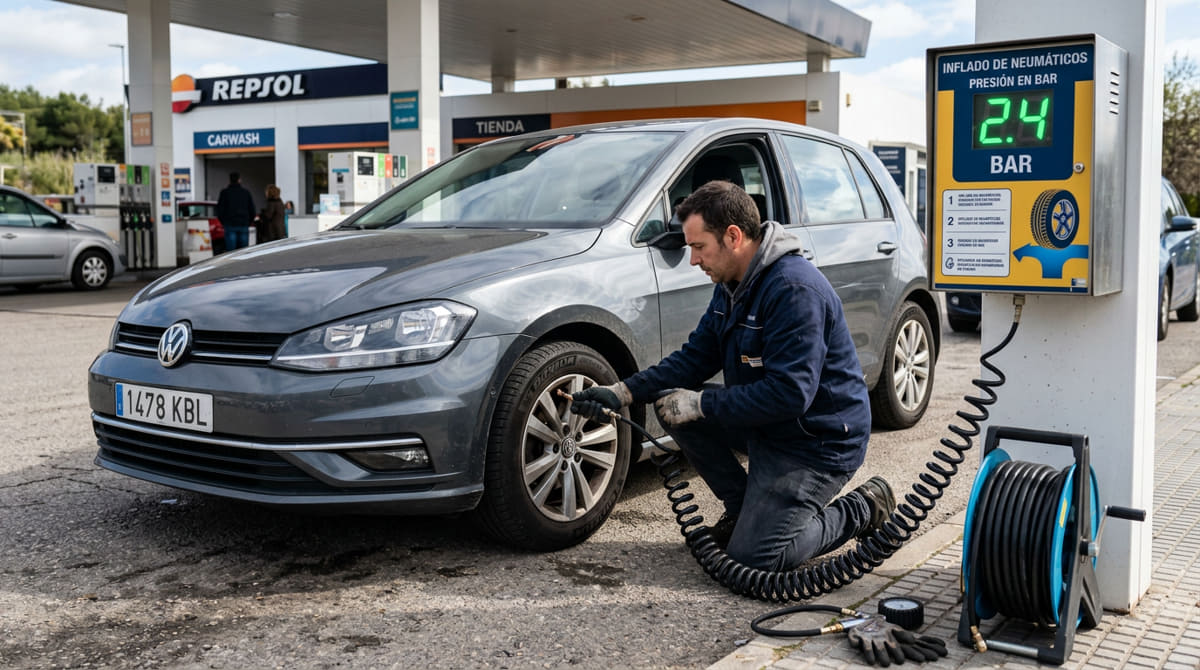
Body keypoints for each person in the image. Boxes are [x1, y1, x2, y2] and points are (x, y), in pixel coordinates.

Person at [570, 180, 894, 572]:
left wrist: (702, 403)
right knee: (672, 403)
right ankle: (743, 511)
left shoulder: (793, 290)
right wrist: (622, 392)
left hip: (816, 440)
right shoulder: (731, 286)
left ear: (733, 237)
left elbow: (791, 395)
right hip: (772, 426)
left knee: (759, 557)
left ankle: (863, 507)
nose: (692, 259)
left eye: (698, 246)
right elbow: (695, 358)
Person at [215, 172, 256, 251]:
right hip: (243, 224)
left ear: (230, 180)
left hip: (230, 225)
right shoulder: (245, 193)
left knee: (231, 252)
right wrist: (248, 222)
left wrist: (224, 222)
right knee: (243, 251)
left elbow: (219, 209)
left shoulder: (224, 193)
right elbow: (252, 209)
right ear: (239, 180)